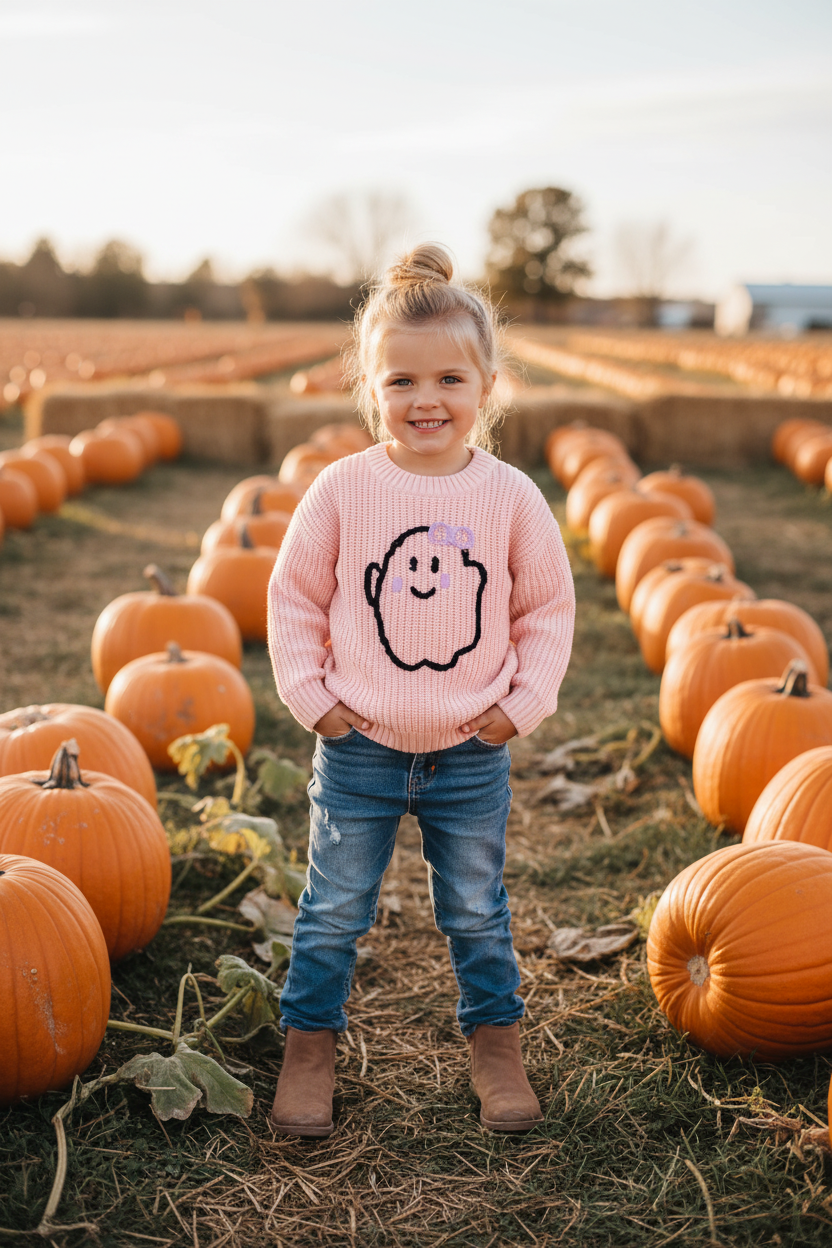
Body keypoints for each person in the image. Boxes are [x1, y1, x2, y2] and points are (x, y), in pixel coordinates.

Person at [266, 243, 575, 1138]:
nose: (425, 399)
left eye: (449, 378)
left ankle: (495, 1045)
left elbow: (546, 610)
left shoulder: (512, 498)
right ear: (372, 387)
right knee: (331, 909)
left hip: (469, 752)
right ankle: (310, 1047)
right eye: (401, 380)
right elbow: (293, 596)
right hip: (357, 745)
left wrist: (520, 705)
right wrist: (308, 690)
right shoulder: (343, 490)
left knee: (477, 908)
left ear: (487, 386)